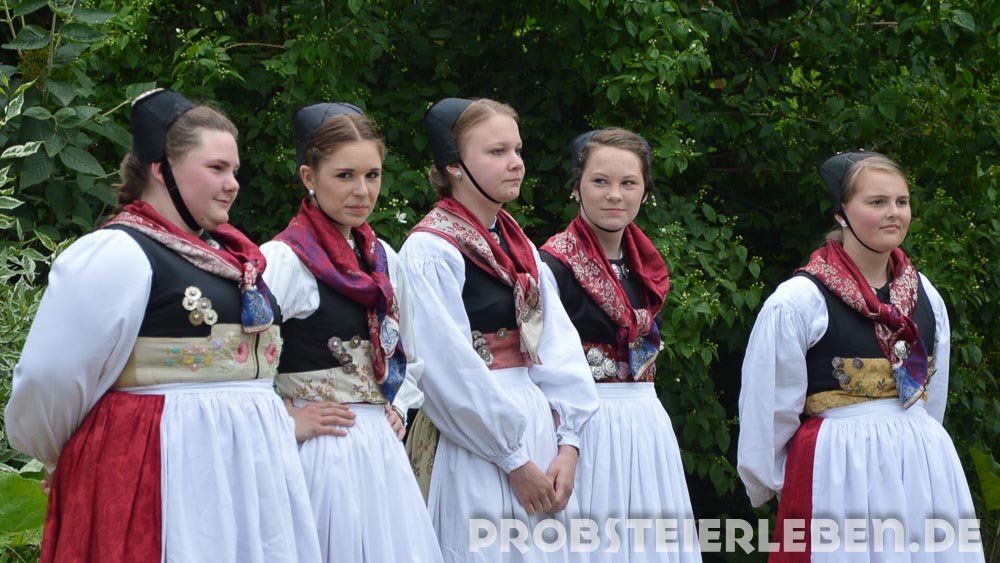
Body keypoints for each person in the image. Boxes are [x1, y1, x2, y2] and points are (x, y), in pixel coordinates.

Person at [4, 89, 321, 562]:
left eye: (234, 170)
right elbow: (50, 377)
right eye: (216, 168)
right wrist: (60, 453)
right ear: (161, 169)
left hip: (248, 480)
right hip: (163, 474)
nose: (233, 184)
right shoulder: (119, 254)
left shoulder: (235, 260)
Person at [737, 151, 984, 561]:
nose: (893, 213)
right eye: (877, 202)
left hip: (921, 470)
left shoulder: (926, 295)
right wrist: (784, 482)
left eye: (901, 201)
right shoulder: (801, 299)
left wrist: (919, 448)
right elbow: (769, 407)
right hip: (839, 471)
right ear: (841, 213)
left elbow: (931, 397)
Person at [399, 97, 599, 562]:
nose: (516, 163)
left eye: (517, 149)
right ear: (454, 166)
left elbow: (558, 348)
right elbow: (445, 370)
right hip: (474, 442)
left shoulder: (518, 245)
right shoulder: (431, 250)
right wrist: (513, 459)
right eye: (497, 152)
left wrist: (569, 444)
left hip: (536, 432)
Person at [260, 102, 442, 562]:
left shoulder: (383, 259)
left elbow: (408, 353)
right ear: (309, 177)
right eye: (345, 176)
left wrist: (398, 404)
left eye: (372, 175)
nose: (363, 191)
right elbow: (241, 360)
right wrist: (287, 420)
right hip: (320, 452)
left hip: (380, 451)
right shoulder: (284, 260)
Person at [539, 128, 701, 561]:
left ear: (645, 192)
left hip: (646, 422)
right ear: (576, 188)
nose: (615, 195)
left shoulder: (647, 267)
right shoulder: (551, 265)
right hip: (583, 426)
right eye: (600, 181)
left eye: (629, 183)